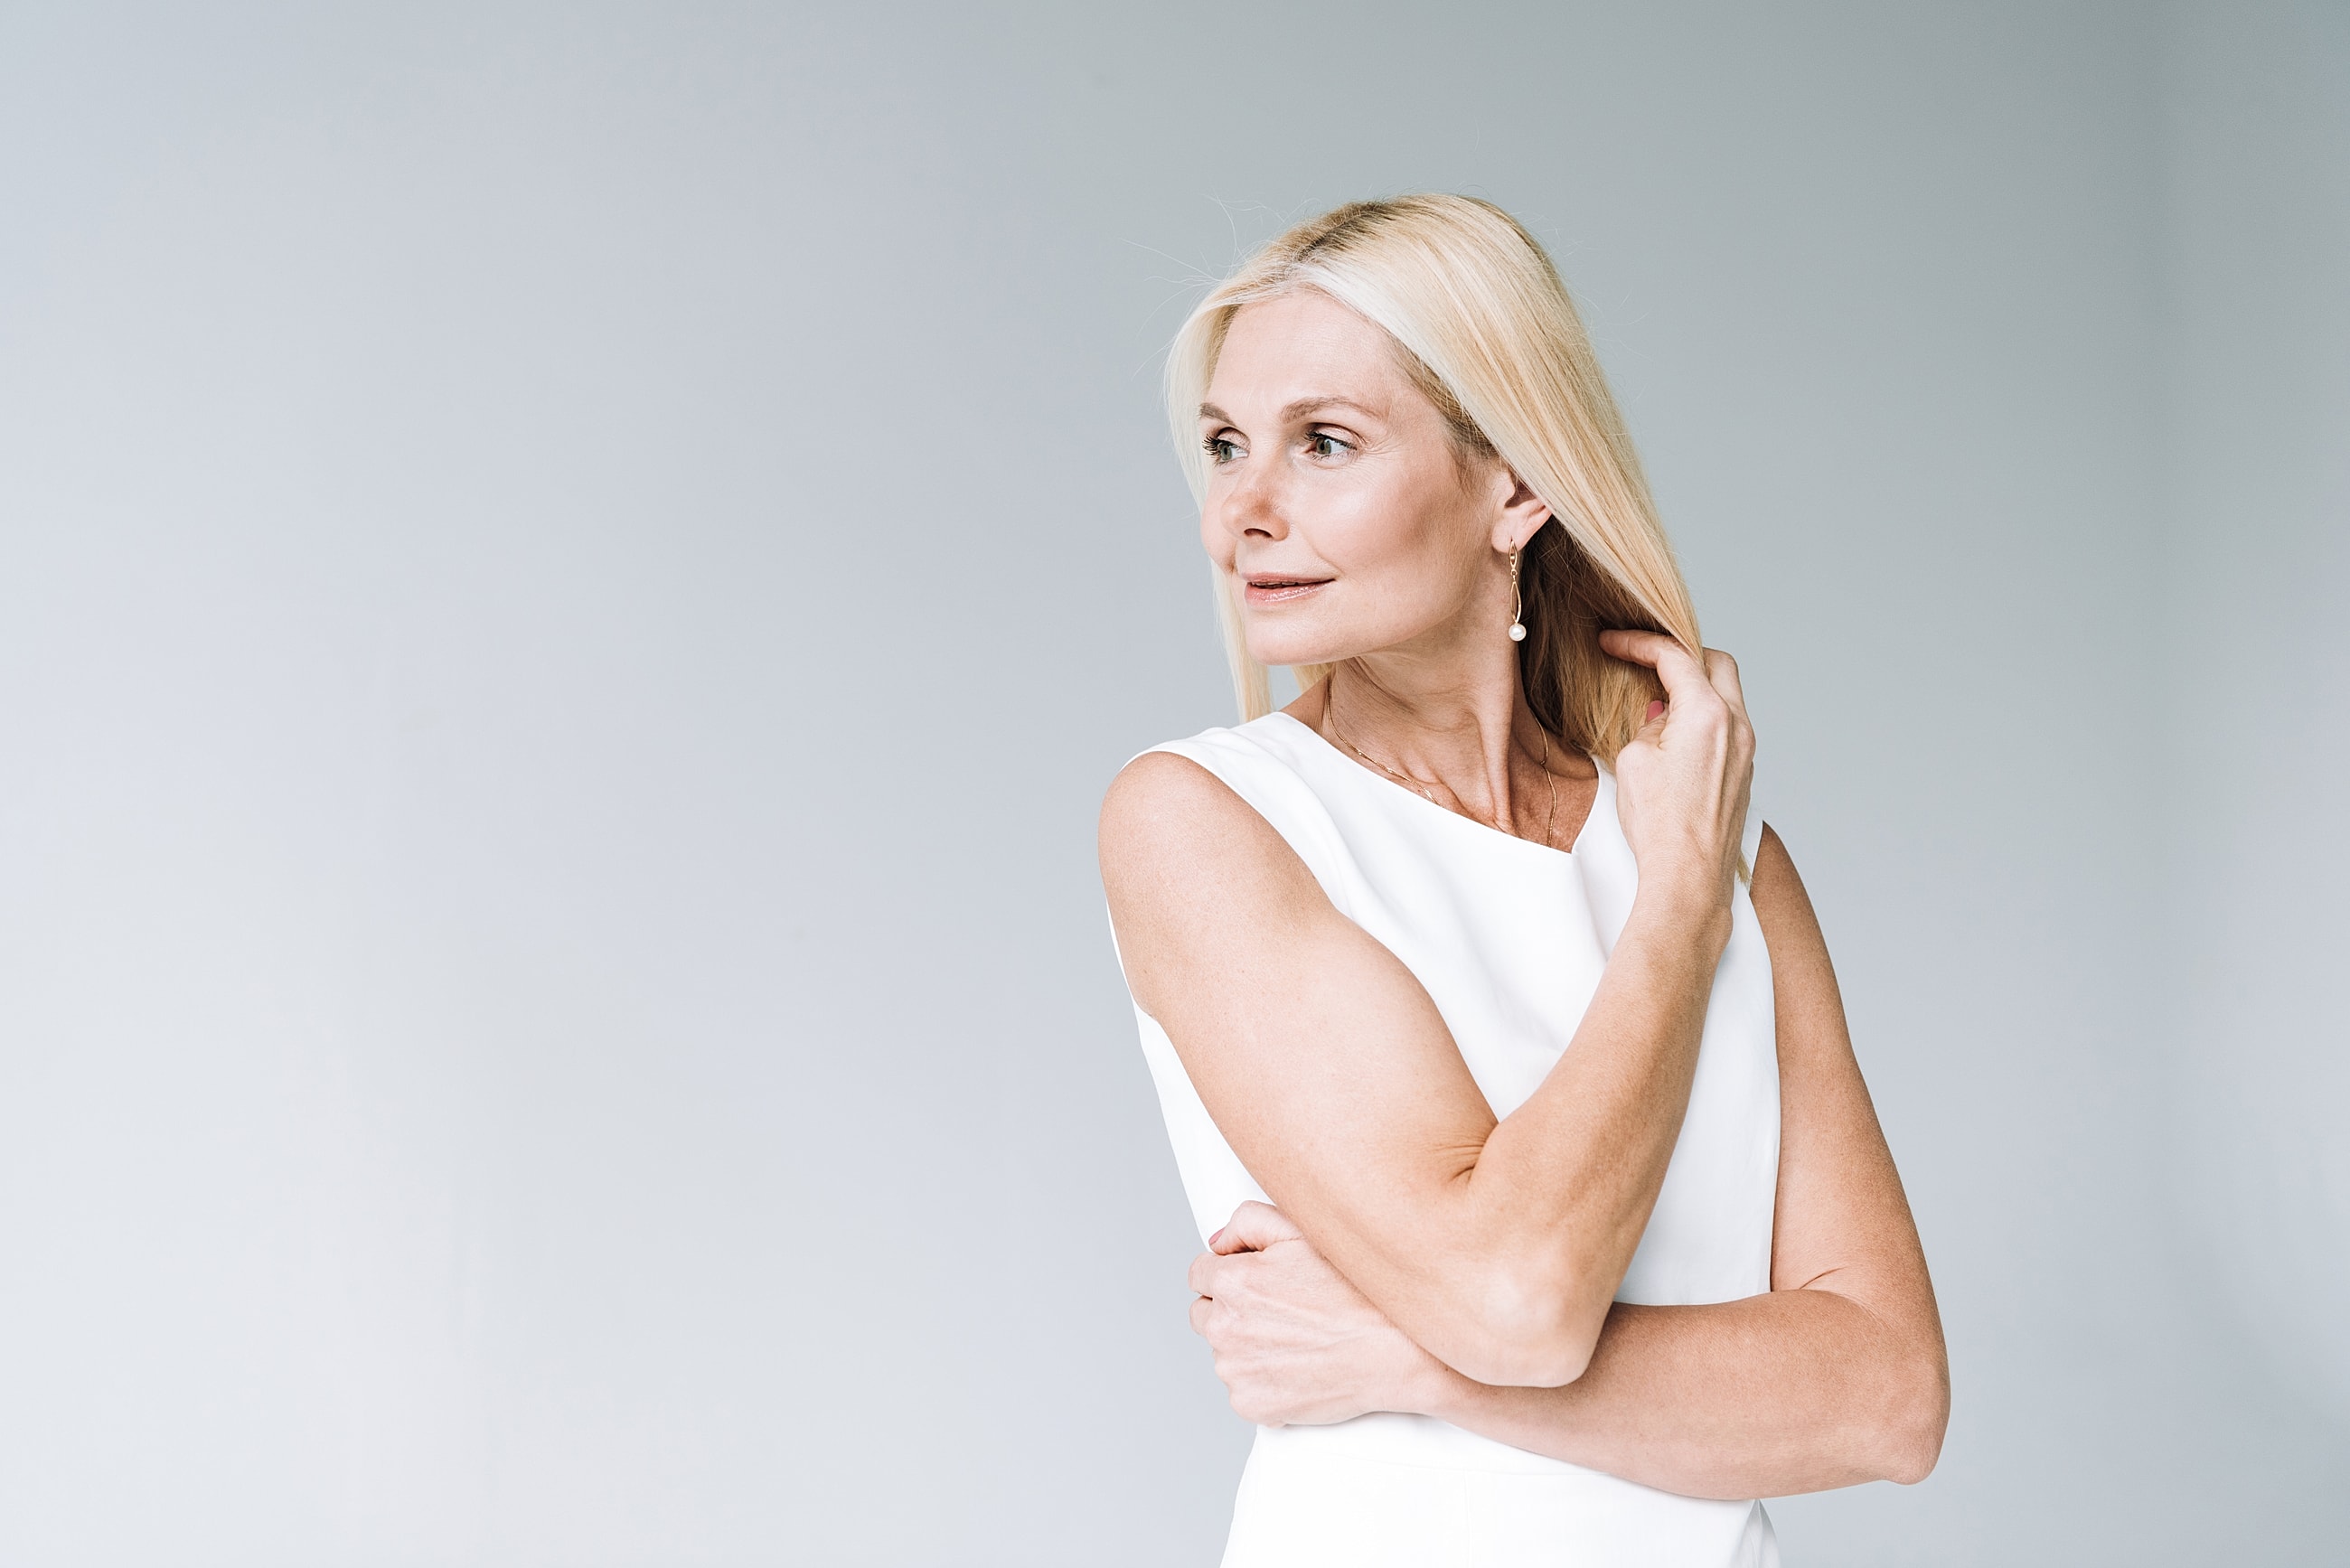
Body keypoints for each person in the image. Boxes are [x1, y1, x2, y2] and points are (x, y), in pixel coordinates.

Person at [1098, 196, 1948, 1567]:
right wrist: (1672, 911)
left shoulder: (1715, 844)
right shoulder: (1208, 822)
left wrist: (1405, 1355)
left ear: (1515, 484)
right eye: (1223, 447)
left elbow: (1890, 1400)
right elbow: (1519, 1298)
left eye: (1323, 444)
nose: (1241, 516)